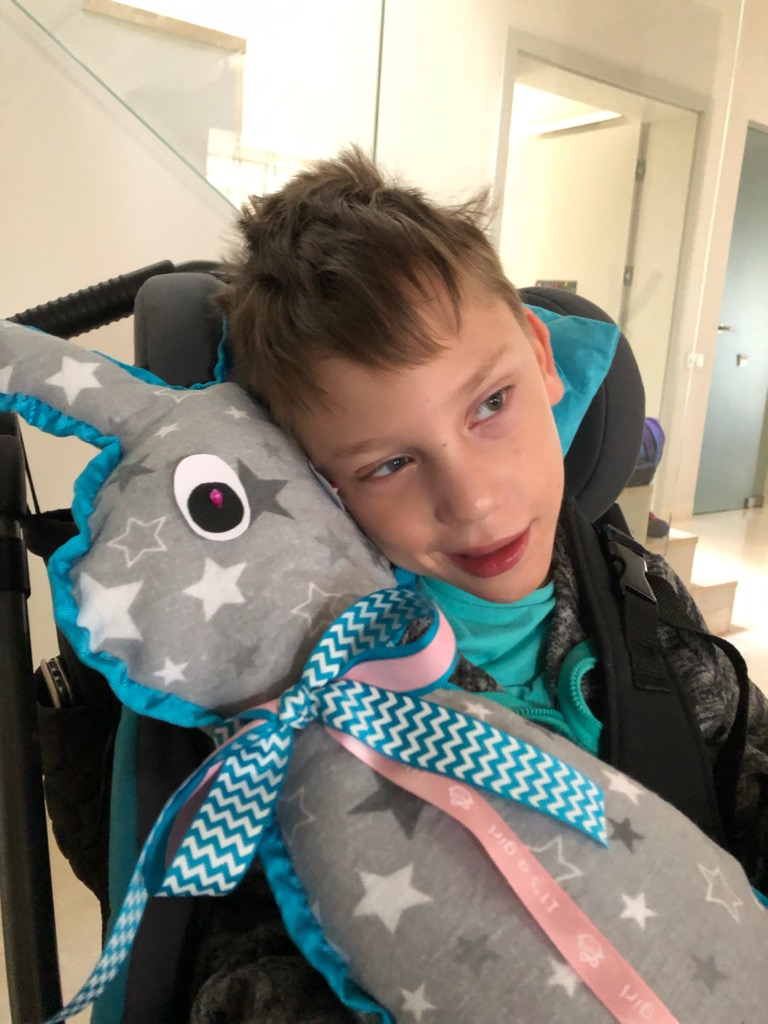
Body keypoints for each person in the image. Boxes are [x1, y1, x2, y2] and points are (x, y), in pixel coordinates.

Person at [187, 147, 768, 1022]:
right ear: (317, 485)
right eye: (388, 464)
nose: (474, 502)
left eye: (490, 404)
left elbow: (745, 774)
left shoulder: (639, 597)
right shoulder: (309, 705)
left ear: (540, 355)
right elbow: (242, 976)